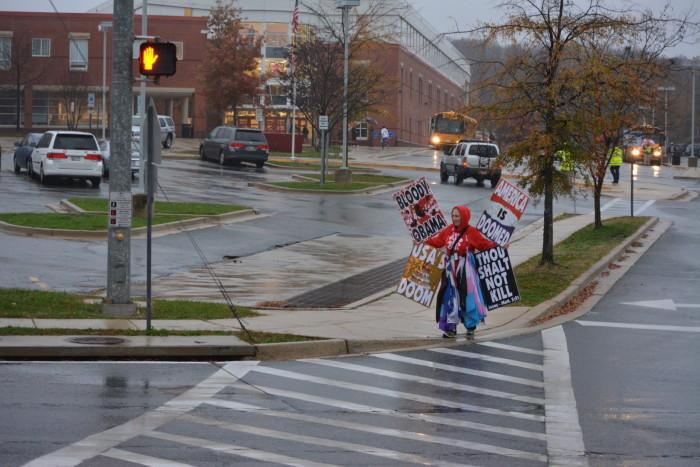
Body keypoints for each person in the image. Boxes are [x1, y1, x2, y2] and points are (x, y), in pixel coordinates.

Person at [425, 206, 497, 338]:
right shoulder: (448, 230)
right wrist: (422, 242)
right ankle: (450, 328)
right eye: (453, 216)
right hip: (449, 270)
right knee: (449, 297)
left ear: (464, 216)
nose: (455, 218)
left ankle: (470, 326)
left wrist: (498, 246)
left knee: (466, 297)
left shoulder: (472, 232)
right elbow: (436, 241)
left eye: (457, 216)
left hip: (466, 271)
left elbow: (484, 245)